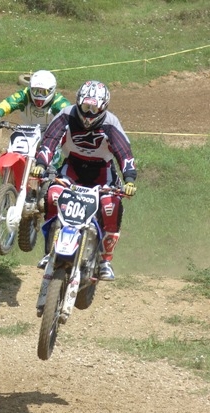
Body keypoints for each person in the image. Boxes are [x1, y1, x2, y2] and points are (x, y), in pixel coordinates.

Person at [31, 80, 137, 281]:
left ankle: (105, 261)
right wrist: (41, 164)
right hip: (72, 168)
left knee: (111, 206)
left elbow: (124, 153)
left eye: (94, 108)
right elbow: (49, 141)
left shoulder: (111, 123)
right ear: (78, 102)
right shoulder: (66, 115)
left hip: (102, 172)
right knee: (53, 195)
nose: (89, 113)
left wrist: (129, 179)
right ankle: (49, 251)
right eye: (86, 106)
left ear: (103, 107)